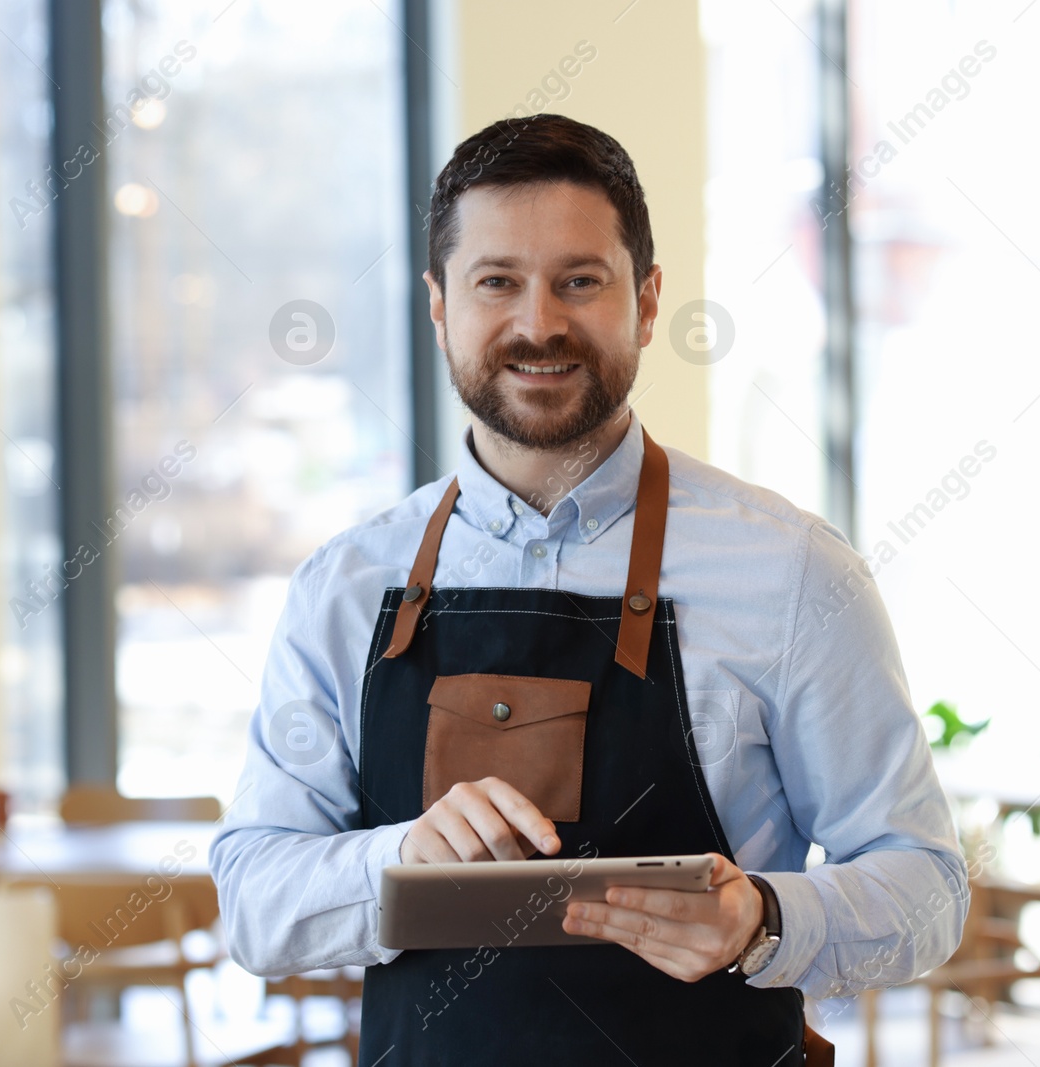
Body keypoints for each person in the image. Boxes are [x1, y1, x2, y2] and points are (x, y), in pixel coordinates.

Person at [211, 113, 967, 1065]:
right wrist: (396, 860)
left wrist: (766, 918)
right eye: (497, 283)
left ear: (647, 303)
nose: (539, 324)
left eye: (581, 281)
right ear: (440, 304)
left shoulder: (793, 572)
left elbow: (928, 887)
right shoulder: (345, 587)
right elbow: (252, 900)